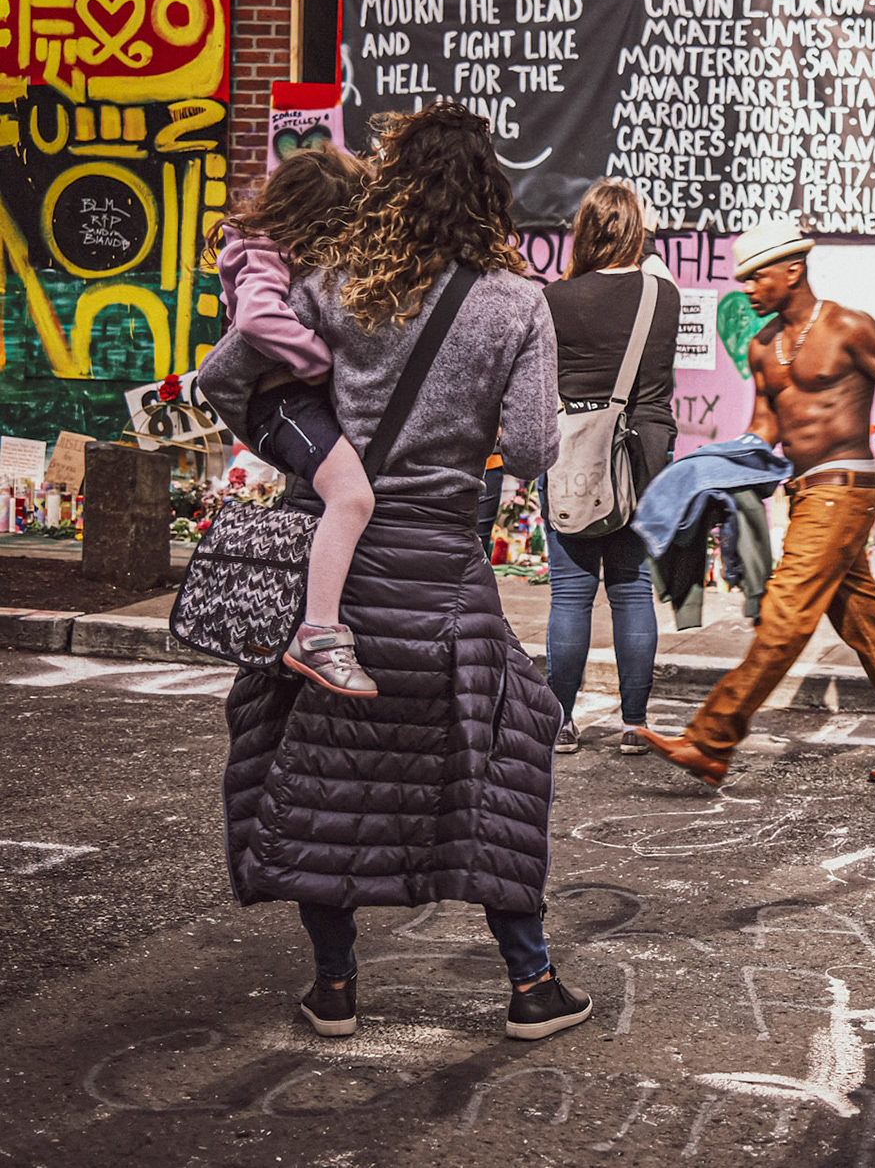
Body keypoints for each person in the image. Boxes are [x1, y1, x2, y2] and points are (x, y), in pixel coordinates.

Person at [219, 102, 589, 1042]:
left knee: (317, 778)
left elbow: (245, 376)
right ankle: (530, 983)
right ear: (491, 195)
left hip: (327, 581)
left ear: (392, 185)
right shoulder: (517, 303)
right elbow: (537, 444)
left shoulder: (335, 279)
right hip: (440, 577)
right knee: (497, 764)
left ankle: (335, 987)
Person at [631, 216, 875, 787]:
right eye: (743, 280)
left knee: (785, 616)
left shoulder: (849, 327)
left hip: (844, 490)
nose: (746, 288)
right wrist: (708, 474)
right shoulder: (762, 346)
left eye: (755, 277)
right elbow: (763, 431)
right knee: (864, 623)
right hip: (804, 495)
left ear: (792, 269)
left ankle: (712, 739)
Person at [216, 146, 380, 697]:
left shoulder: (271, 245)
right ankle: (318, 633)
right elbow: (257, 317)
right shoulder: (260, 250)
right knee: (352, 497)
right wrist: (319, 359)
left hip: (289, 401)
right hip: (281, 401)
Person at [541, 180, 680, 754]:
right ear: (637, 231)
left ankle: (562, 722)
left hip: (574, 453)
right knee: (631, 588)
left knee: (570, 594)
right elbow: (654, 265)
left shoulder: (556, 298)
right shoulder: (662, 295)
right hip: (644, 457)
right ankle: (634, 722)